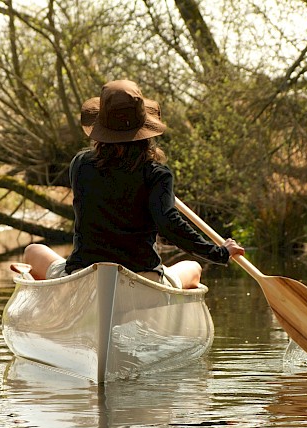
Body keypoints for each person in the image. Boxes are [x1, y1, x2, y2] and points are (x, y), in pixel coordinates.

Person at [23, 79, 244, 288]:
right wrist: (219, 252)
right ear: (145, 129)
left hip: (84, 273)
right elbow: (169, 224)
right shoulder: (157, 174)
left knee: (32, 251)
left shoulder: (80, 164)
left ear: (101, 128)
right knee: (193, 268)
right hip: (142, 276)